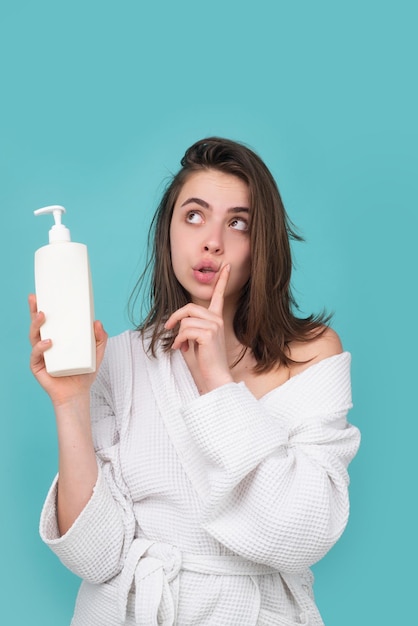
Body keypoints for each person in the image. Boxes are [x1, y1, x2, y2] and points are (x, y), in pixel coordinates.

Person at [29, 137, 360, 626]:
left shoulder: (311, 355)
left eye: (238, 222)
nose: (212, 241)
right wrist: (70, 403)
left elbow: (304, 532)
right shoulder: (118, 360)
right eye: (194, 216)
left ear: (261, 242)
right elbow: (95, 557)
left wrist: (218, 384)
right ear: (168, 233)